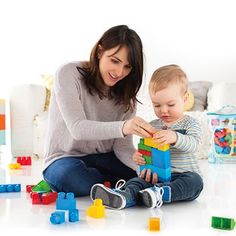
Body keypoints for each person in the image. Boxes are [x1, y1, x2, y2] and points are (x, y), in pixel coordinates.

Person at [42, 25, 156, 197]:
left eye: (127, 66)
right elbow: (77, 128)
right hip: (64, 159)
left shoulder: (126, 95)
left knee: (149, 177)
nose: (119, 72)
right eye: (115, 61)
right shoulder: (68, 73)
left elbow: (122, 148)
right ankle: (119, 186)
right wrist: (124, 126)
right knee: (68, 177)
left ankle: (114, 187)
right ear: (99, 52)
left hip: (107, 159)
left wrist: (141, 168)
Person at [91, 64, 204, 209]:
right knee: (136, 181)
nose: (164, 110)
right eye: (157, 105)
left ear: (185, 98)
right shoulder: (152, 126)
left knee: (196, 183)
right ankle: (124, 195)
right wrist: (140, 160)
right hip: (155, 178)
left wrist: (175, 137)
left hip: (183, 176)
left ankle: (159, 194)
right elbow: (147, 154)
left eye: (170, 104)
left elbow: (194, 144)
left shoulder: (191, 123)